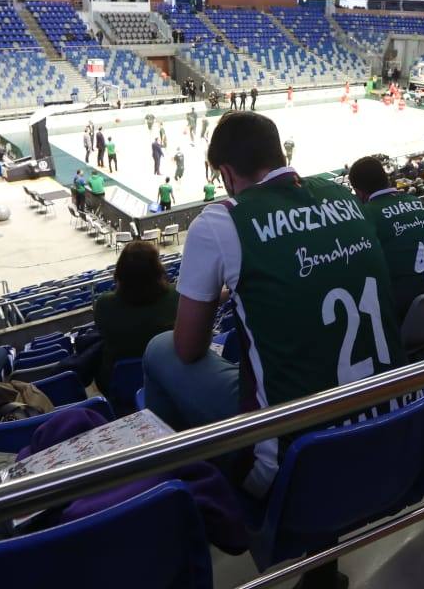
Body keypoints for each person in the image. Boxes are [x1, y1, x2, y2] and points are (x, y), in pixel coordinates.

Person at [143, 112, 407, 498]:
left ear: (227, 174)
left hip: (293, 454)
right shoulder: (345, 197)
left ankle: (179, 492)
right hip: (390, 417)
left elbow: (188, 347)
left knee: (160, 349)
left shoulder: (220, 222)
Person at [348, 156, 424, 320]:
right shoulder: (419, 204)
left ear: (359, 192)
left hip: (412, 312)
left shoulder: (365, 216)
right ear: (386, 178)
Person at [93, 241, 179, 397]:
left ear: (120, 271)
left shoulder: (104, 304)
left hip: (117, 382)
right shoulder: (175, 296)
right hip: (166, 375)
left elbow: (102, 329)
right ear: (157, 269)